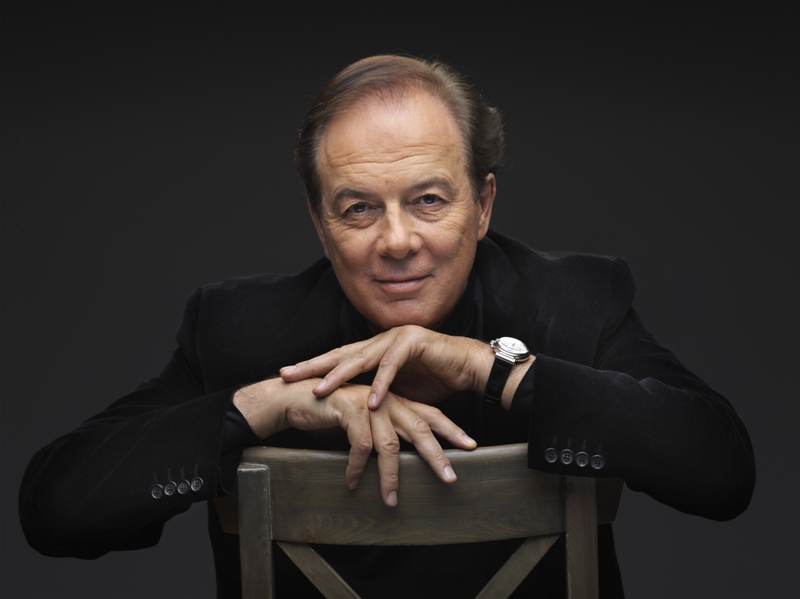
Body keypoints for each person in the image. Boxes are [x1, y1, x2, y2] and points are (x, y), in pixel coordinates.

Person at [19, 55, 755, 598]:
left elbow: (721, 470)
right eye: (359, 208)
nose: (397, 241)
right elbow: (55, 510)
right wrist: (270, 403)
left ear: (483, 204)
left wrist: (486, 367)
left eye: (429, 200)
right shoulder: (241, 331)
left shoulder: (574, 302)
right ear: (320, 223)